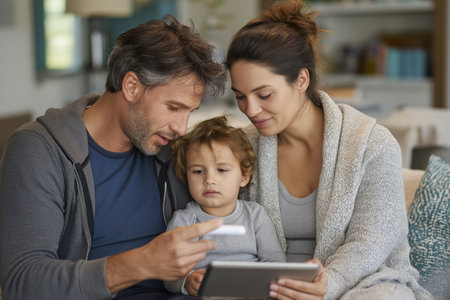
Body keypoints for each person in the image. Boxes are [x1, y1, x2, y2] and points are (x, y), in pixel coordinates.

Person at [0, 15, 227, 299]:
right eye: (173, 107)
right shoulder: (40, 151)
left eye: (189, 112)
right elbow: (22, 282)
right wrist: (141, 263)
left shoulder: (175, 150)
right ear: (131, 87)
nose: (181, 128)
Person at [225, 1, 433, 299]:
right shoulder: (241, 148)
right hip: (272, 289)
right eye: (240, 97)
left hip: (359, 284)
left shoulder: (372, 144)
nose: (251, 109)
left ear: (301, 79)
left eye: (264, 94)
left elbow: (371, 241)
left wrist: (328, 284)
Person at [163, 116, 286, 296]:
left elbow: (275, 263)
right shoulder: (184, 220)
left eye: (221, 170)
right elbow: (167, 272)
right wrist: (186, 282)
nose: (209, 180)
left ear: (244, 177)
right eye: (198, 171)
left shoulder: (255, 215)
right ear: (186, 175)